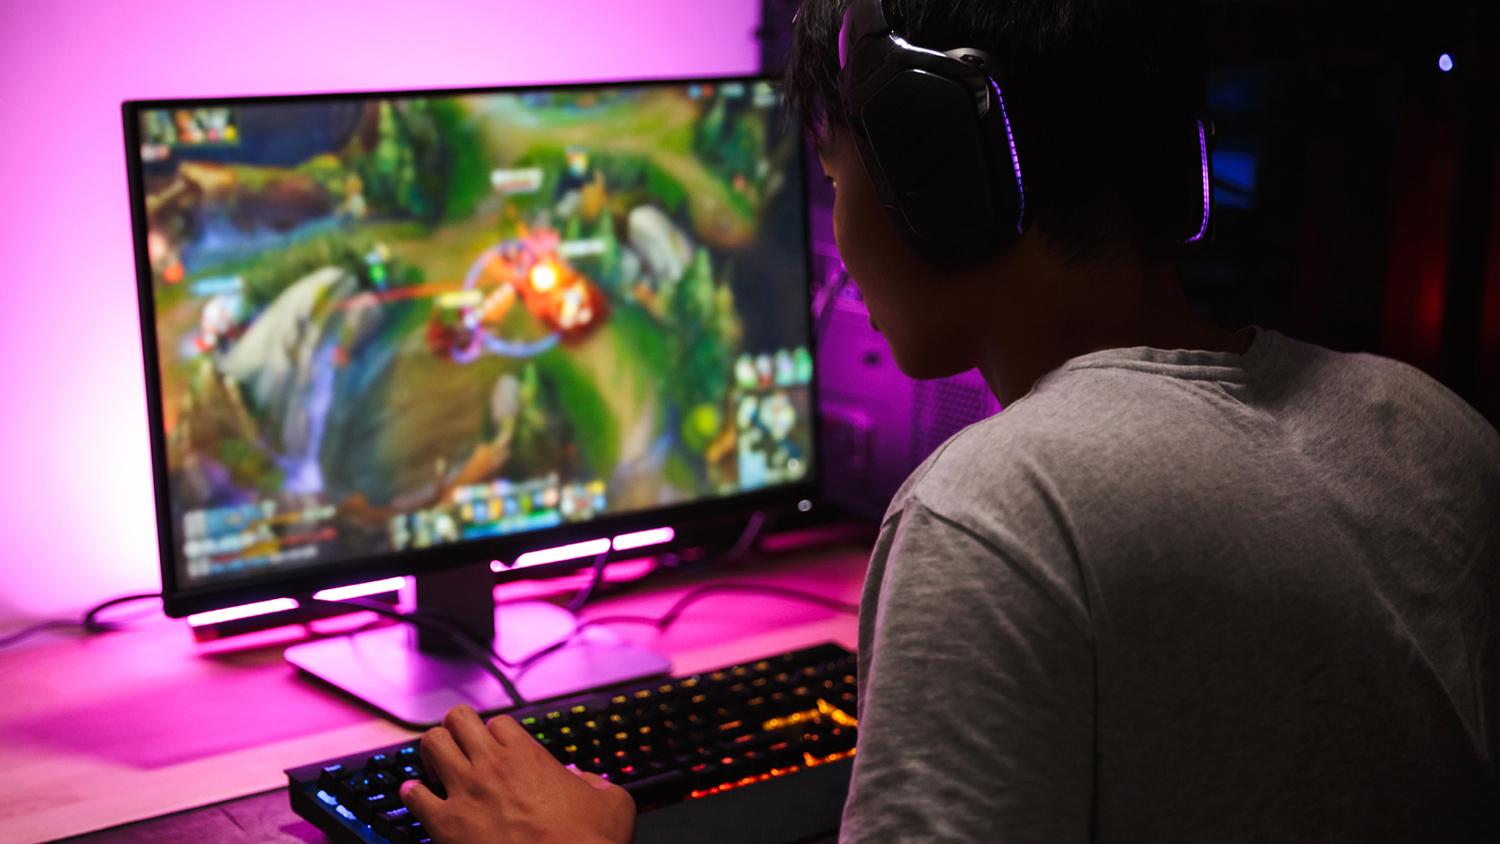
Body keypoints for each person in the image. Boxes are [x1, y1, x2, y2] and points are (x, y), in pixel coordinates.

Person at [396, 1, 1500, 841]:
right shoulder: (1435, 430)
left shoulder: (999, 515)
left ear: (933, 168)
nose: (836, 233)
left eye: (835, 171)